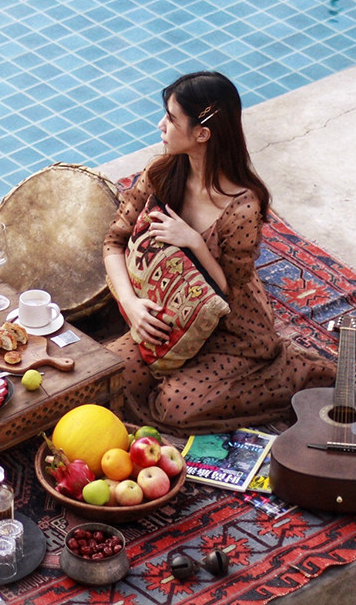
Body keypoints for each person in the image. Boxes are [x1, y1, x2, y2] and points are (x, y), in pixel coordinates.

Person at [103, 70, 335, 434]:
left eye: (171, 118)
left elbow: (231, 290)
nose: (160, 125)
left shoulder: (242, 206)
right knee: (109, 378)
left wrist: (193, 241)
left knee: (174, 408)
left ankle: (295, 374)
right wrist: (131, 305)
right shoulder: (160, 173)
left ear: (202, 134)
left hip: (231, 332)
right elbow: (113, 243)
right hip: (169, 320)